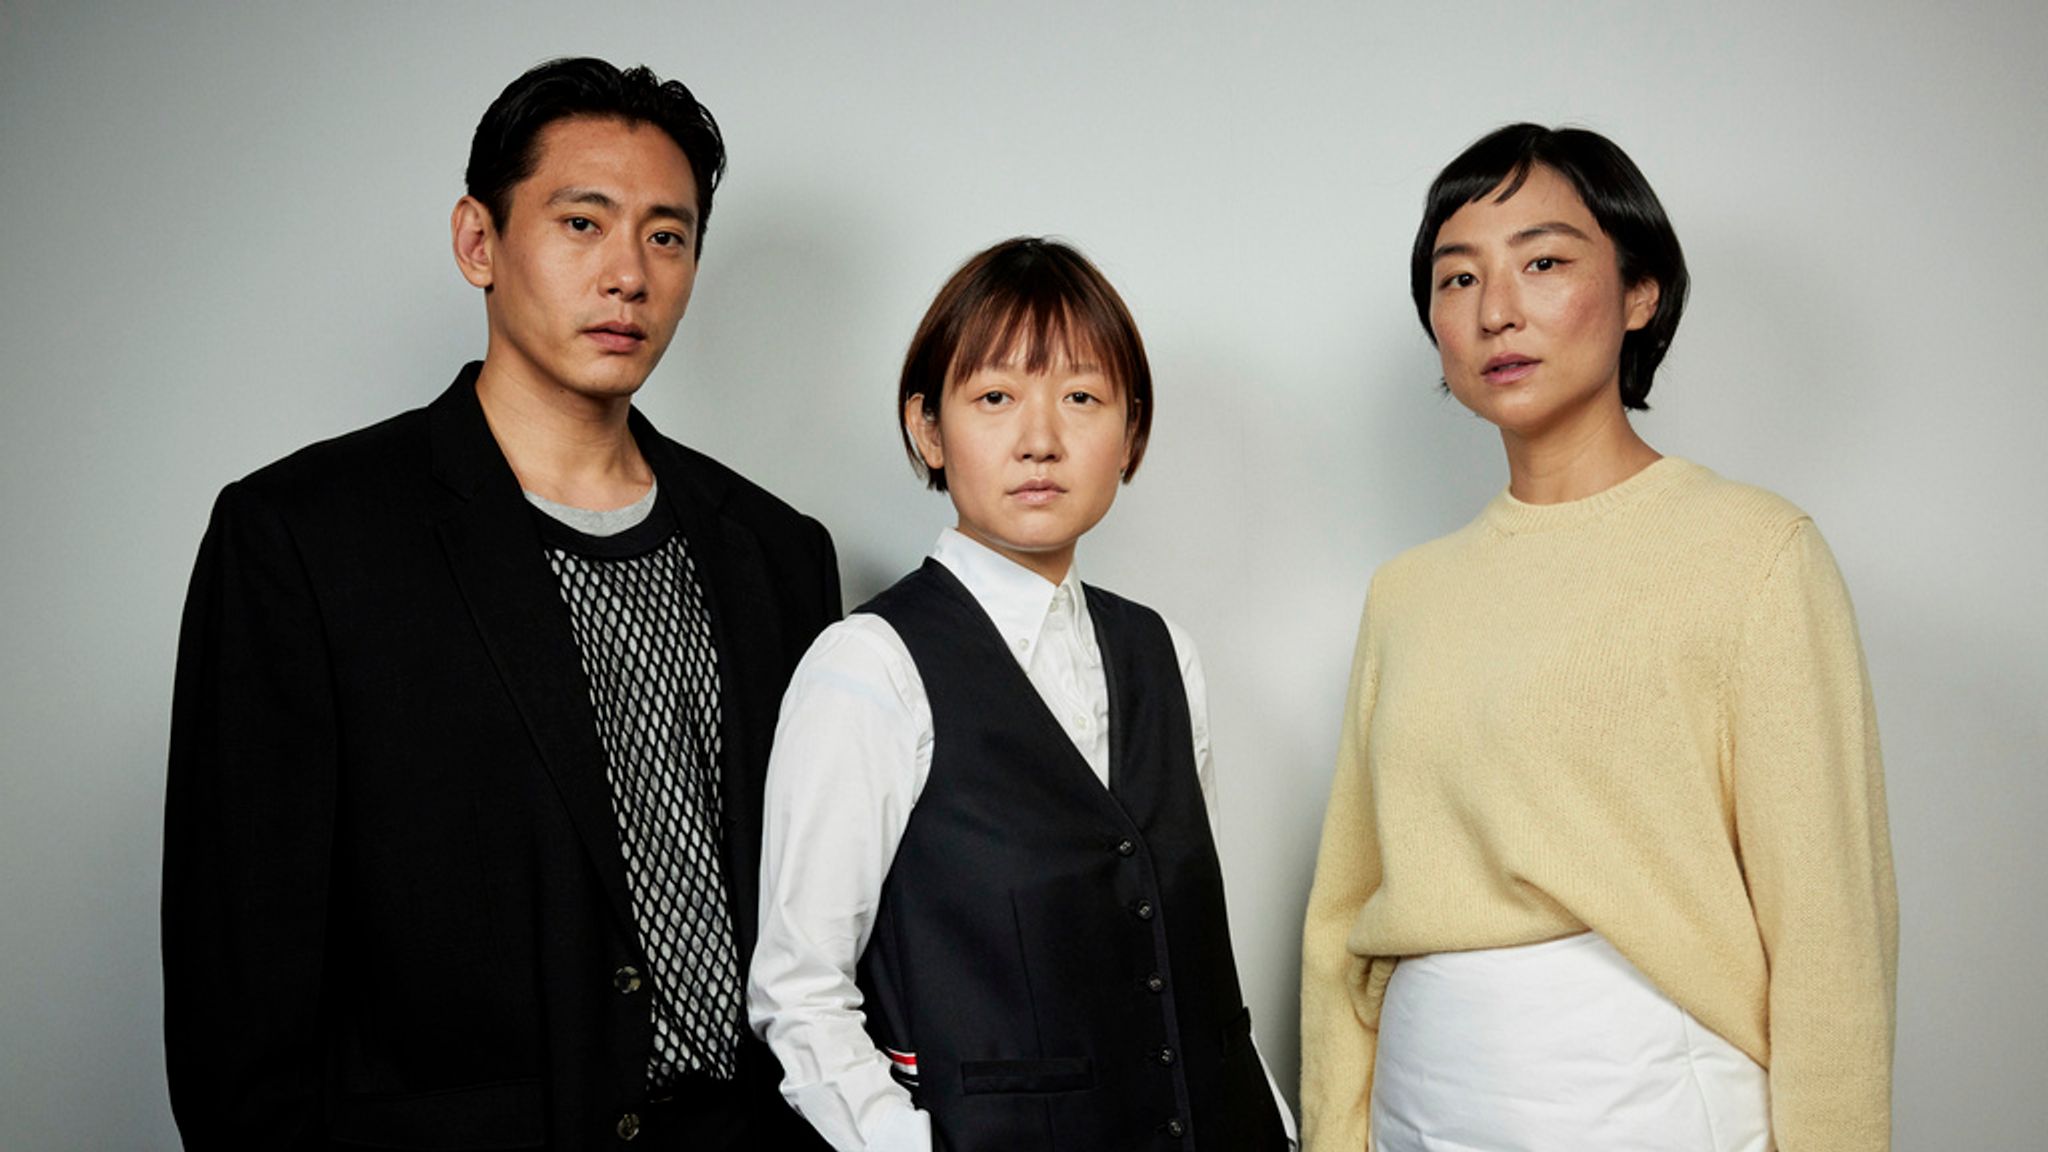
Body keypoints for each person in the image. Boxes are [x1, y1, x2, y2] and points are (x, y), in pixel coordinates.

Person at [162, 57, 839, 1150]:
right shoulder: (304, 537)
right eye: (582, 223)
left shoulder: (774, 552)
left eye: (666, 237)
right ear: (479, 240)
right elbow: (239, 976)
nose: (629, 274)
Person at [1299, 124, 1898, 1152]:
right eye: (1455, 278)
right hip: (1420, 1108)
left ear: (1637, 293)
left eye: (1541, 262)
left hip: (1648, 1103)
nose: (1495, 311)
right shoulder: (1405, 595)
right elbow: (1337, 926)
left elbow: (1829, 932)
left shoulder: (1754, 552)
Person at [747, 237, 1295, 1151]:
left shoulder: (1166, 654)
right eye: (995, 398)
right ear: (929, 428)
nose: (1041, 440)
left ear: (1132, 434)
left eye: (1081, 399)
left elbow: (1184, 960)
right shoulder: (870, 667)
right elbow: (800, 995)